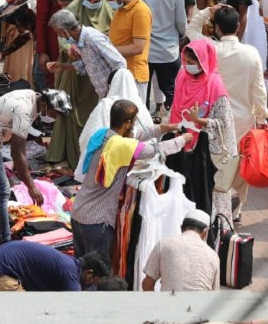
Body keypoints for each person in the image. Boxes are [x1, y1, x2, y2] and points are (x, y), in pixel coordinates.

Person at [71, 100, 191, 256]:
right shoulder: (121, 146)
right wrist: (183, 140)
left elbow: (134, 136)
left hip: (78, 212)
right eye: (133, 122)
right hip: (96, 221)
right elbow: (154, 150)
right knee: (96, 273)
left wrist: (162, 128)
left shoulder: (102, 135)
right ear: (127, 123)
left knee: (81, 267)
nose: (134, 126)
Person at [186, 4, 268, 218]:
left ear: (218, 29)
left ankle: (217, 205)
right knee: (240, 165)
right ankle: (236, 208)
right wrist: (261, 116)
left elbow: (191, 29)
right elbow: (259, 88)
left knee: (218, 164)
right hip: (243, 119)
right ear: (239, 26)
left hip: (214, 118)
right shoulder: (251, 53)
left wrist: (207, 11)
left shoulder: (209, 48)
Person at [0, 89, 71, 243]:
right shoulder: (24, 109)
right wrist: (31, 186)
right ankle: (4, 240)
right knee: (2, 191)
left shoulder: (31, 97)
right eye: (54, 114)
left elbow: (20, 128)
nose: (54, 119)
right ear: (44, 105)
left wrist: (36, 136)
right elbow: (17, 153)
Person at [45, 0, 117, 167]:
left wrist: (114, 85)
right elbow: (82, 67)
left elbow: (118, 61)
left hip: (106, 89)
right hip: (89, 82)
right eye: (89, 0)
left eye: (96, 1)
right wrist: (62, 63)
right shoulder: (78, 33)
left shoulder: (93, 37)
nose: (92, 4)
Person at [170, 40, 239, 220]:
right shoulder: (182, 77)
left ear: (204, 61)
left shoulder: (215, 85)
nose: (188, 66)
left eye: (193, 63)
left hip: (206, 157)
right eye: (186, 61)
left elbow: (224, 124)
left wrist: (199, 120)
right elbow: (175, 110)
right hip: (181, 149)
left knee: (206, 202)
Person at [133, 0, 186, 114]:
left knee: (140, 98)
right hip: (168, 52)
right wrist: (182, 36)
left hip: (142, 53)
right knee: (173, 96)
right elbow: (181, 21)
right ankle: (176, 128)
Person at [47, 8, 128, 100]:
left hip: (115, 96)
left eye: (58, 33)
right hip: (105, 95)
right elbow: (85, 66)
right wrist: (62, 66)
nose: (59, 36)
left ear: (64, 32)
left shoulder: (93, 38)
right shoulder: (80, 41)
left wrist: (113, 90)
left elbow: (120, 63)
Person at [141, 209, 220, 292]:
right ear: (205, 232)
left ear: (181, 228)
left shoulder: (164, 244)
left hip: (169, 303)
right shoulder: (213, 255)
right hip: (201, 304)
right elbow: (214, 293)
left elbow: (147, 285)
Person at [0, 243, 109, 292]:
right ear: (89, 273)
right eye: (95, 281)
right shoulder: (71, 275)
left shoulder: (70, 264)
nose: (92, 286)